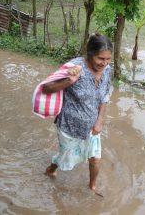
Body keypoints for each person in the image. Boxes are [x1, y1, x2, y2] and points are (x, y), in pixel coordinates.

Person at [43, 33, 112, 194]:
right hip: (69, 127)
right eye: (101, 58)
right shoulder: (74, 67)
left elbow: (105, 95)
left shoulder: (107, 70)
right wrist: (69, 81)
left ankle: (92, 187)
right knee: (65, 158)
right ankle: (51, 169)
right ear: (90, 54)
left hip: (92, 127)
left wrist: (100, 120)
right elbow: (46, 88)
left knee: (95, 159)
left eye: (108, 59)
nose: (105, 63)